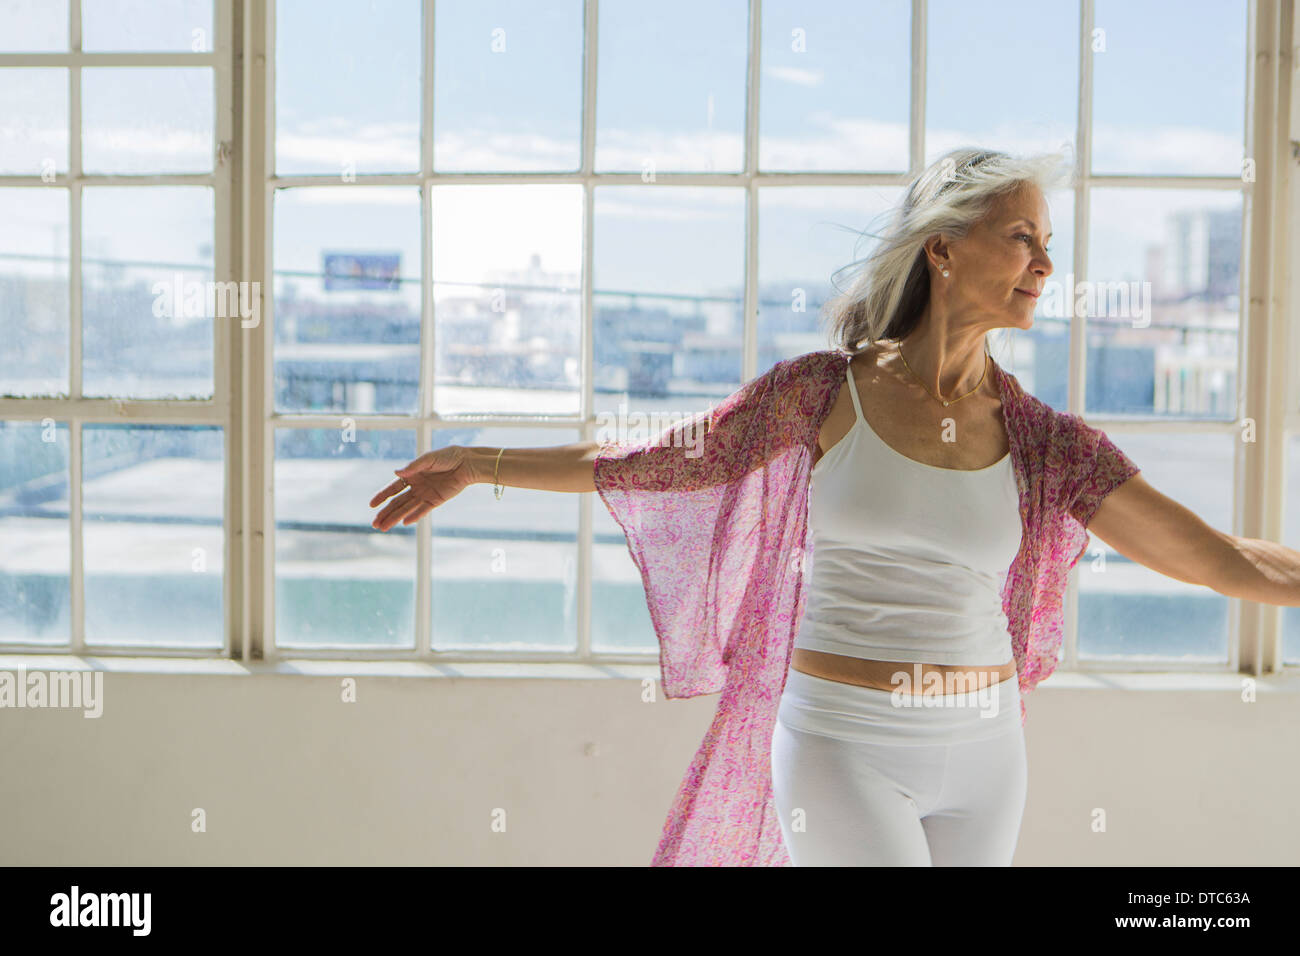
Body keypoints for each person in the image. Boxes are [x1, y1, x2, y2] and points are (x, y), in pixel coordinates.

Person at [368, 149, 1300, 866]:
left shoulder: (1050, 445)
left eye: (1049, 245)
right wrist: (477, 461)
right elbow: (648, 459)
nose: (1045, 264)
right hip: (842, 744)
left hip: (985, 753)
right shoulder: (819, 394)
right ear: (943, 244)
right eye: (1022, 237)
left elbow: (1223, 559)